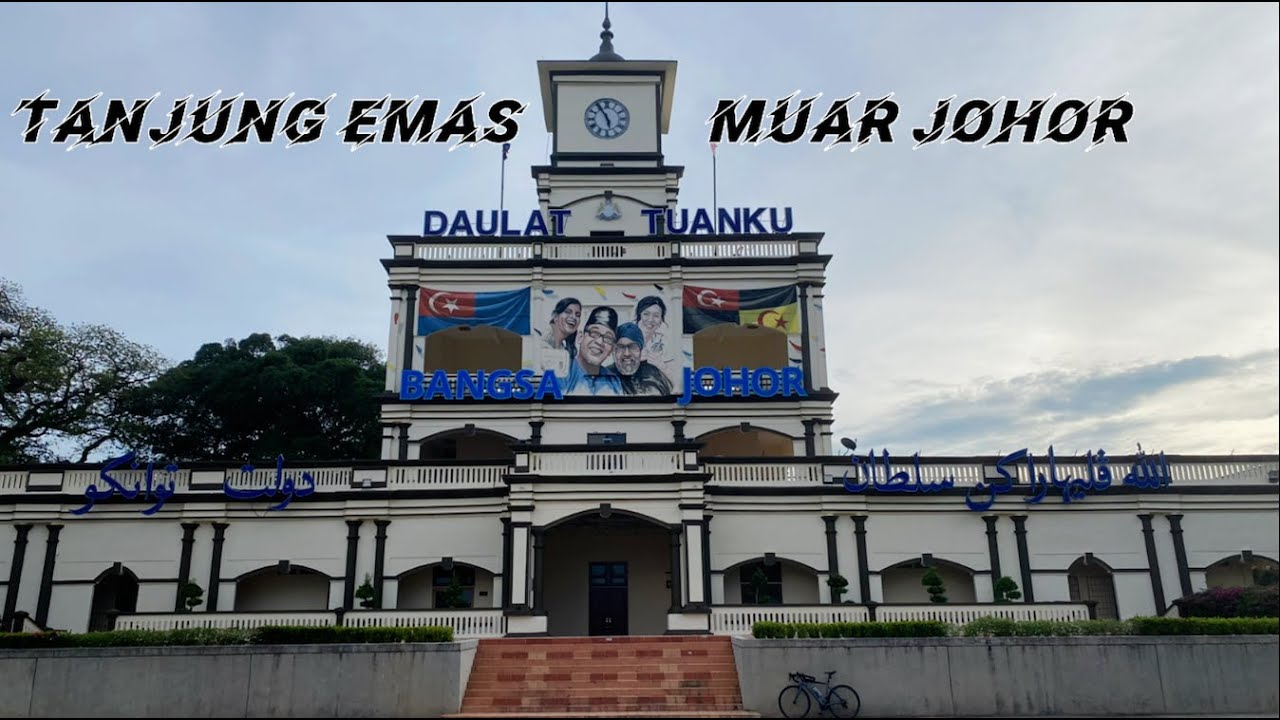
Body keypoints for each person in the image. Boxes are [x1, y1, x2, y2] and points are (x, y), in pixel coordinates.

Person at [564, 306, 622, 396]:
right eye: (594, 333)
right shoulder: (563, 374)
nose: (599, 342)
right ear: (580, 337)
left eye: (608, 338)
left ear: (612, 349)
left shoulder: (613, 382)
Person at [613, 322, 673, 396]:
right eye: (621, 347)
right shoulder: (606, 376)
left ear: (640, 351)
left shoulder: (655, 375)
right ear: (614, 351)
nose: (627, 353)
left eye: (633, 347)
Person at [635, 295, 676, 386]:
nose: (650, 320)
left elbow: (677, 381)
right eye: (646, 314)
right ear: (639, 316)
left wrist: (661, 365)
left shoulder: (665, 341)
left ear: (661, 320)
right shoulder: (625, 337)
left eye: (656, 316)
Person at [541, 297, 581, 376]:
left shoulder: (563, 347)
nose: (573, 317)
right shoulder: (542, 341)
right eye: (568, 312)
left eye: (578, 315)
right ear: (555, 316)